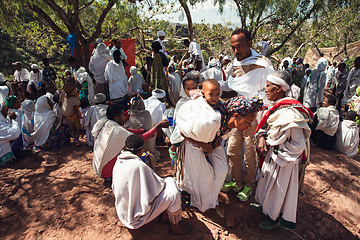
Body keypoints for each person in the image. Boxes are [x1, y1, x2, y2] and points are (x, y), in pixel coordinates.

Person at [219, 28, 274, 202]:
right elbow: (231, 87)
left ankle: (249, 184)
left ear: (249, 44)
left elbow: (268, 93)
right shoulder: (234, 64)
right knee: (232, 150)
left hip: (253, 118)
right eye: (233, 47)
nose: (236, 51)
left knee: (250, 153)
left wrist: (261, 120)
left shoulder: (263, 64)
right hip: (236, 117)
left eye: (240, 46)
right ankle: (237, 182)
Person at [253, 70, 313, 230]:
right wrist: (262, 138)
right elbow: (264, 128)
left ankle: (274, 219)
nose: (265, 90)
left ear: (278, 88)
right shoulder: (276, 108)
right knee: (266, 183)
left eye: (268, 86)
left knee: (278, 191)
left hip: (284, 161)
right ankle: (265, 207)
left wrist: (278, 152)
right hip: (272, 156)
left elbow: (298, 145)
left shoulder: (292, 114)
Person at [112, 134, 192, 235]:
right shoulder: (138, 165)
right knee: (173, 192)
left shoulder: (119, 160)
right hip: (135, 217)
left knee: (168, 183)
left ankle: (165, 217)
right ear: (141, 151)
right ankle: (175, 227)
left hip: (124, 211)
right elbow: (158, 187)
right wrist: (152, 163)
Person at [170, 79, 227, 212]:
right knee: (194, 174)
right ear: (203, 93)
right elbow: (182, 127)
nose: (214, 98)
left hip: (204, 145)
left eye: (217, 94)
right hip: (189, 144)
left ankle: (204, 199)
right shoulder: (190, 105)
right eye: (211, 94)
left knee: (201, 175)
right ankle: (191, 199)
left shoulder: (219, 107)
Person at [92, 104, 169, 179]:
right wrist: (157, 127)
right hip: (106, 171)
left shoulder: (107, 123)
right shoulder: (117, 130)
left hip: (99, 167)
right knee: (130, 151)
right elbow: (138, 139)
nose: (125, 117)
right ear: (117, 118)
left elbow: (126, 131)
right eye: (123, 115)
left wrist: (142, 131)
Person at [32, 85, 70, 150]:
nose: (51, 103)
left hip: (39, 141)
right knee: (65, 125)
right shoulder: (50, 115)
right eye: (49, 102)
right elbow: (59, 123)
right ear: (44, 104)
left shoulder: (36, 114)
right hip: (49, 141)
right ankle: (60, 143)